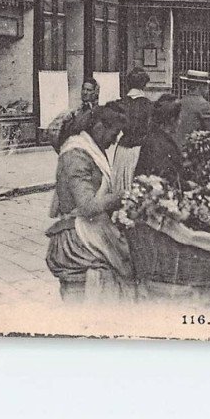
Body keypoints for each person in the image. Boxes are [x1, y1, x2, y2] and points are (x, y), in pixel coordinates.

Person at [45, 103, 133, 302]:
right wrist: (121, 196)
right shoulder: (76, 155)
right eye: (114, 133)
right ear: (99, 127)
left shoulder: (91, 149)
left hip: (88, 232)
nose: (114, 140)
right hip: (78, 239)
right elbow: (87, 206)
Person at [113, 68, 154, 192]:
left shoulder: (120, 103)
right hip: (140, 150)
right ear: (144, 85)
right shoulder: (149, 105)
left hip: (122, 150)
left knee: (120, 186)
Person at [135, 94, 183, 186]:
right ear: (172, 120)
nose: (180, 121)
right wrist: (187, 185)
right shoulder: (161, 143)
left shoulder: (155, 136)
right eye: (179, 118)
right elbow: (165, 177)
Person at [47, 78, 101, 153]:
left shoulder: (98, 113)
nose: (85, 92)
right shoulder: (76, 111)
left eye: (89, 90)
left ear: (95, 93)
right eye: (83, 89)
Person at [175, 69, 210, 147]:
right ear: (199, 86)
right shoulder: (203, 104)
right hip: (192, 148)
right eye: (206, 85)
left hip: (177, 146)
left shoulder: (180, 101)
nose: (208, 89)